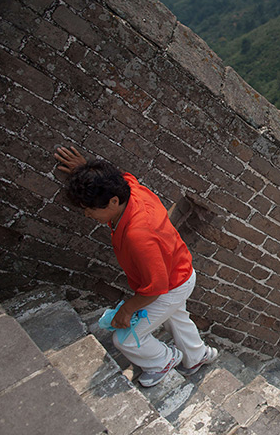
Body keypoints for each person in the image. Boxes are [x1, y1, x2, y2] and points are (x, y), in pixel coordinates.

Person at [54, 146, 218, 387]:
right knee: (177, 318)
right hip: (180, 271)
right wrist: (85, 172)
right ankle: (197, 356)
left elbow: (156, 288)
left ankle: (163, 360)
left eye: (90, 208)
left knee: (125, 339)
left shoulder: (138, 235)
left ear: (113, 201)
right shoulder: (128, 188)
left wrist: (127, 310)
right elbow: (117, 176)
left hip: (169, 286)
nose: (88, 214)